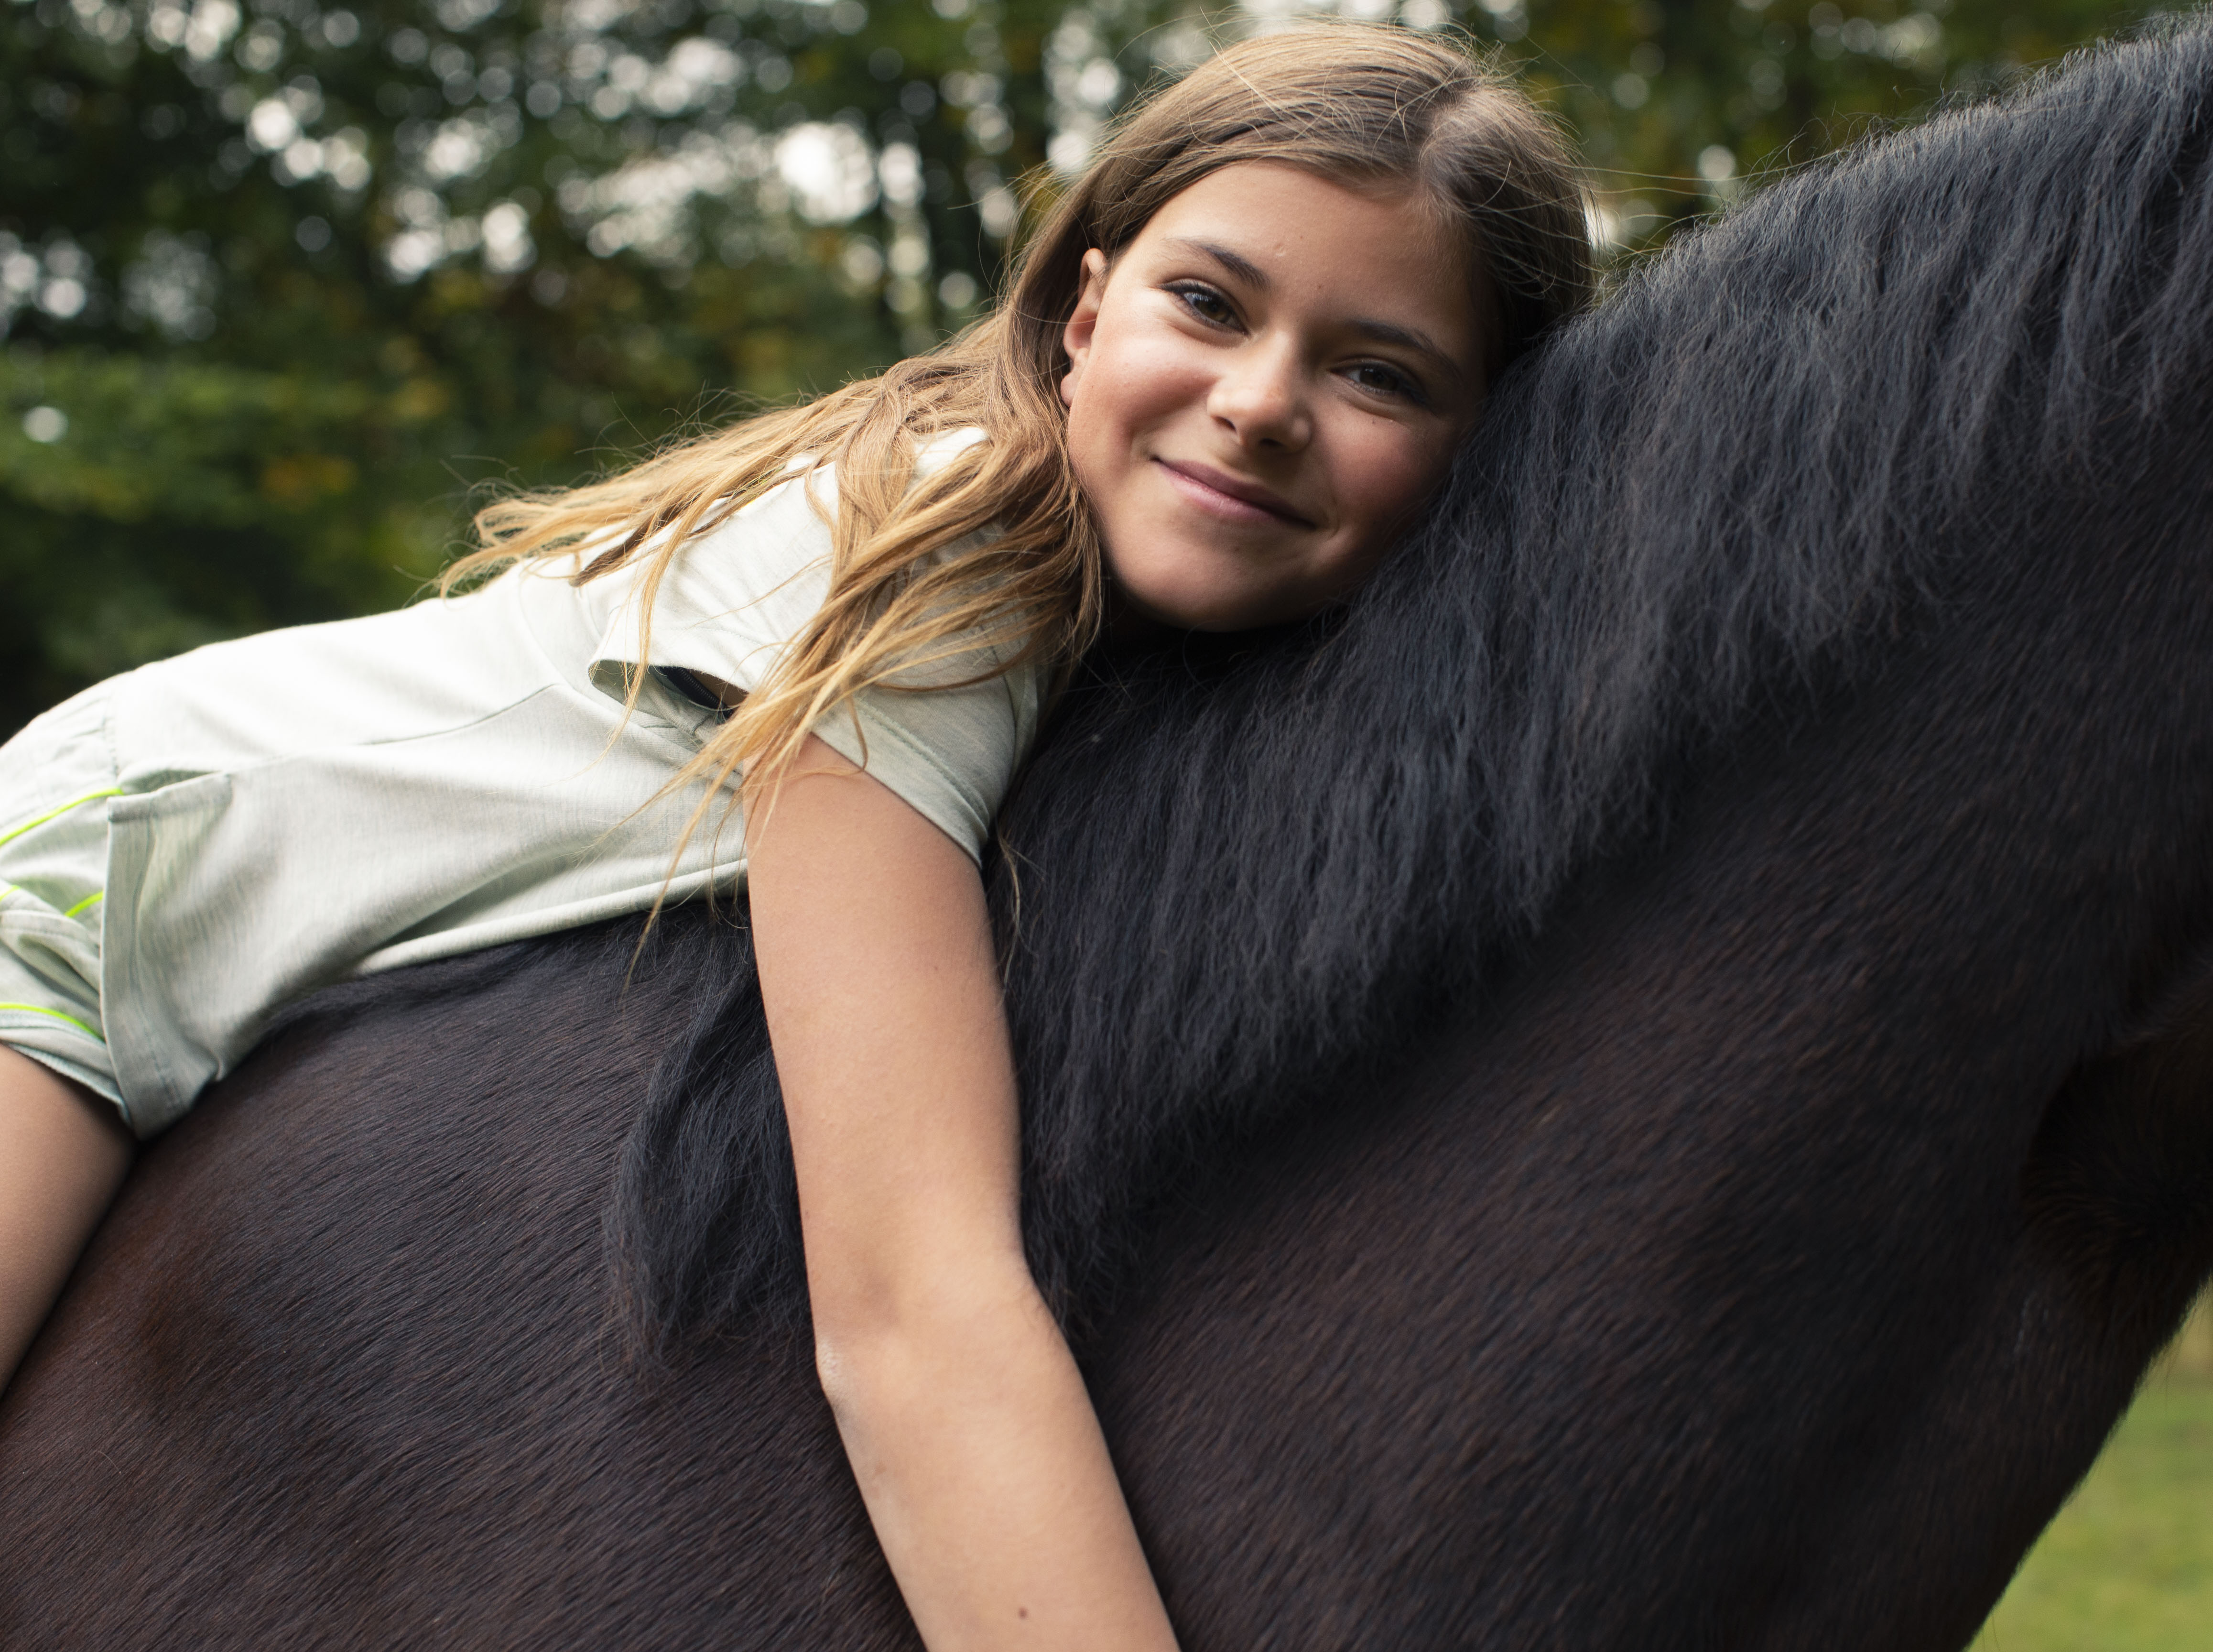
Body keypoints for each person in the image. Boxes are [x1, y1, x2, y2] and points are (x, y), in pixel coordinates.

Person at [0, 21, 1592, 1648]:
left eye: (1378, 371)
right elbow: (910, 1316)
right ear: (1091, 304)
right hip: (104, 884)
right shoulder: (945, 573)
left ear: (1485, 446)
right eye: (1210, 302)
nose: (1260, 403)